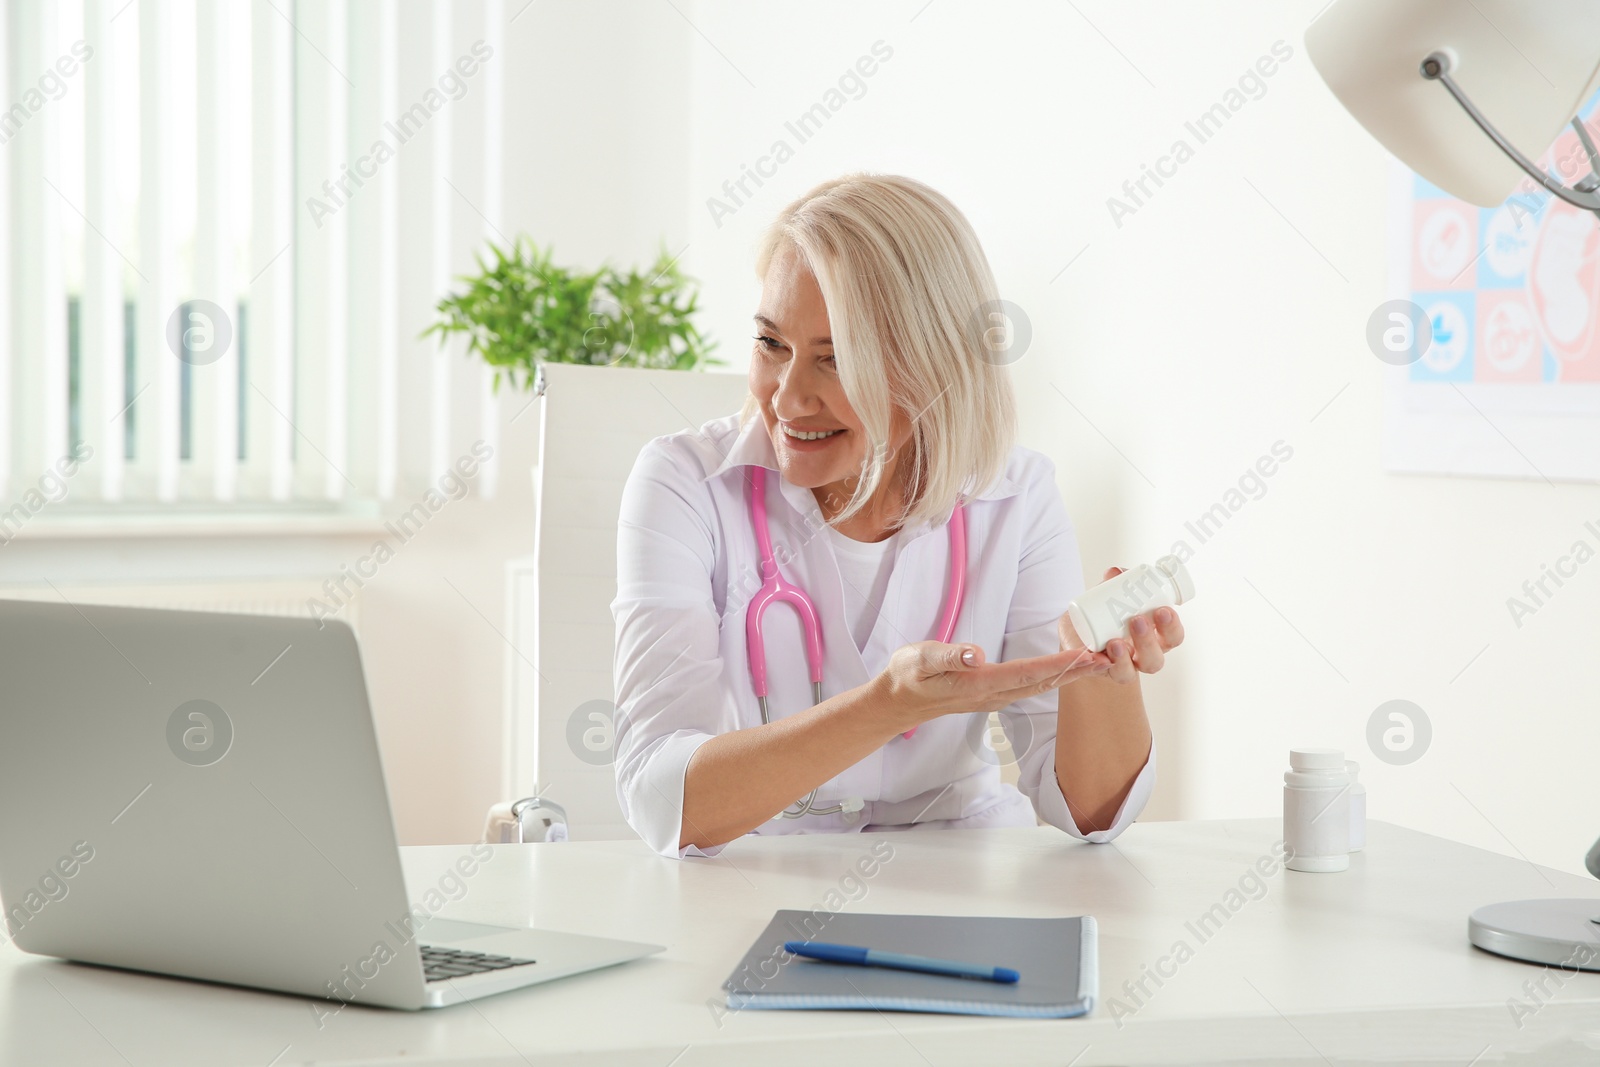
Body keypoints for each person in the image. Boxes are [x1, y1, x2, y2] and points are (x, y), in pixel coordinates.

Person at [610, 173, 1183, 859]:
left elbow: (1090, 815)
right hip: (759, 880)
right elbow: (660, 795)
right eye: (771, 344)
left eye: (836, 360)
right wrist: (889, 706)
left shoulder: (1018, 497)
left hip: (964, 886)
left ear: (932, 366)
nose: (789, 398)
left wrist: (1104, 676)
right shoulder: (685, 484)